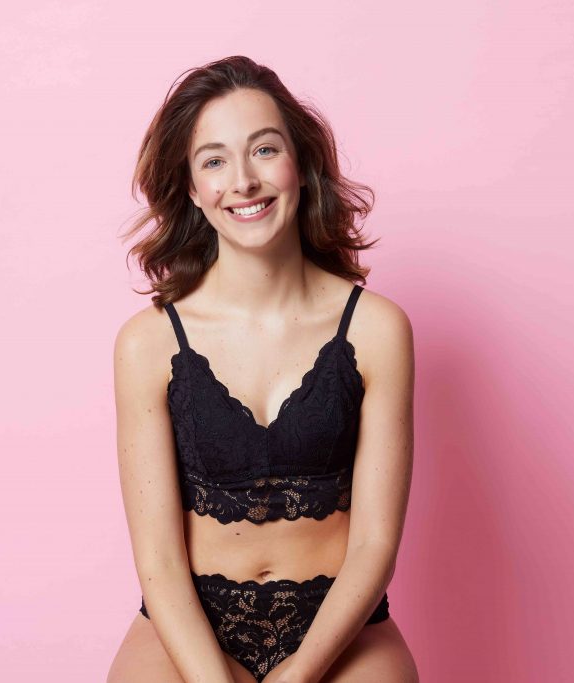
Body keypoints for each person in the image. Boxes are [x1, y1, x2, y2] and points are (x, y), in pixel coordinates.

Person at [106, 55, 417, 683]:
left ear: (300, 164)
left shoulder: (377, 330)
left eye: (264, 150)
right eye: (214, 161)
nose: (243, 181)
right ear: (192, 189)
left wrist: (300, 675)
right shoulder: (147, 343)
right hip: (189, 624)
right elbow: (159, 560)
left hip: (339, 627)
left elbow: (375, 545)